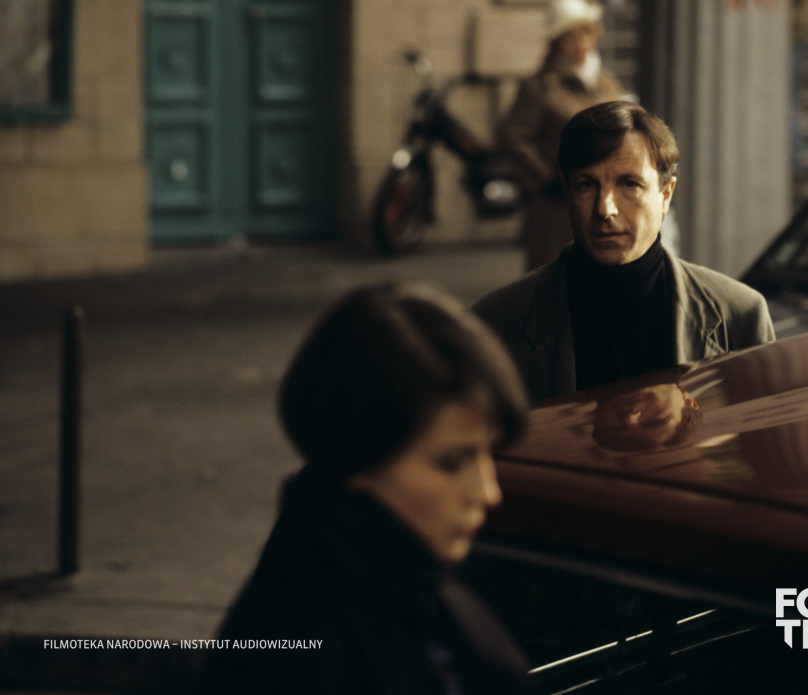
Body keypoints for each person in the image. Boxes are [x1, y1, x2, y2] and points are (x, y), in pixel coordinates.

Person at [199, 283, 532, 694]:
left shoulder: (414, 585)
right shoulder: (295, 651)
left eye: (488, 454)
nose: (488, 492)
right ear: (358, 454)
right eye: (452, 462)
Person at [474, 100, 775, 403]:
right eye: (586, 185)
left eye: (629, 184)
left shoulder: (740, 315)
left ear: (665, 195)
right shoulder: (496, 321)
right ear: (568, 192)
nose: (605, 209)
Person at [502, 0, 626, 270]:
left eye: (586, 34)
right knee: (556, 274)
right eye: (571, 37)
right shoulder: (540, 87)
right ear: (557, 43)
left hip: (605, 196)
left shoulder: (605, 82)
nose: (581, 43)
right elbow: (514, 136)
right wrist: (545, 176)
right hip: (558, 203)